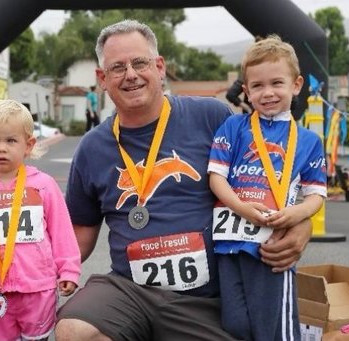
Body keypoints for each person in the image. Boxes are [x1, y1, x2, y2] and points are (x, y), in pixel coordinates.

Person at [55, 19, 313, 341]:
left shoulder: (212, 117)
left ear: (159, 67)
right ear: (102, 79)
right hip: (128, 291)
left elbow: (273, 176)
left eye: (140, 62)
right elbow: (80, 229)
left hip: (204, 300)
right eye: (117, 67)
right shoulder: (92, 147)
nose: (131, 74)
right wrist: (33, 264)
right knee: (75, 331)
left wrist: (303, 223)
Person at [207, 35, 327, 341]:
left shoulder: (309, 141)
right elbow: (216, 178)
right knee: (235, 324)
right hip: (229, 244)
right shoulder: (234, 127)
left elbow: (316, 195)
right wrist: (242, 208)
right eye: (257, 86)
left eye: (277, 83)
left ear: (296, 85)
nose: (268, 92)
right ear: (246, 91)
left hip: (271, 246)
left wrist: (296, 214)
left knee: (274, 328)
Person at [0, 99, 81, 340]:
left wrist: (69, 270)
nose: (1, 148)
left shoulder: (44, 185)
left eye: (11, 140)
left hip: (39, 288)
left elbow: (62, 232)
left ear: (28, 145)